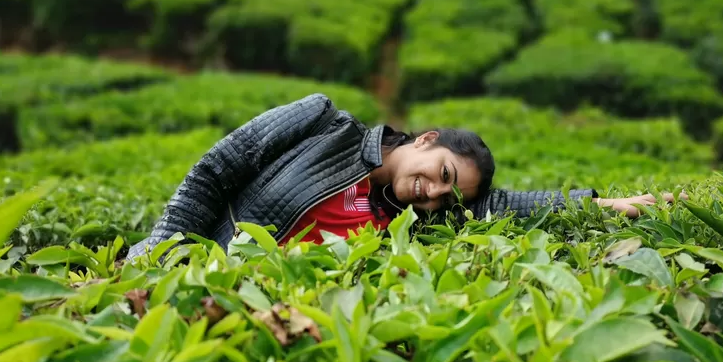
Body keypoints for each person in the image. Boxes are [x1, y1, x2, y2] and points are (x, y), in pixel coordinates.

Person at [126, 93, 683, 261]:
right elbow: (214, 171)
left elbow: (516, 206)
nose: (436, 193)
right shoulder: (323, 122)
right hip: (190, 273)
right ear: (424, 139)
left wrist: (615, 206)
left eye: (447, 196)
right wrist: (158, 251)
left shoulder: (399, 220)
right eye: (443, 173)